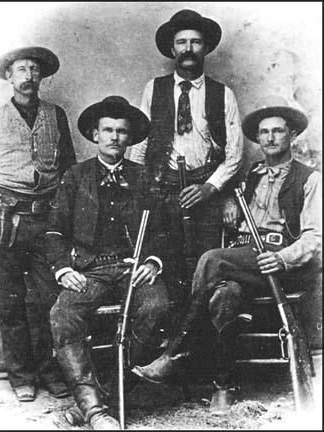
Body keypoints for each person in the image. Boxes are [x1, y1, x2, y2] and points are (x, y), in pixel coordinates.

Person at [132, 95, 321, 414]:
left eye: (278, 131)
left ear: (292, 136)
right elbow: (239, 221)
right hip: (247, 260)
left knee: (210, 259)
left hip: (279, 263)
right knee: (224, 295)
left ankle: (176, 355)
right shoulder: (255, 176)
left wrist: (283, 258)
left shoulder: (310, 179)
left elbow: (315, 238)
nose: (270, 138)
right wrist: (230, 204)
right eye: (264, 133)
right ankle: (222, 385)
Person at [45, 96, 170, 430]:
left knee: (156, 306)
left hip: (133, 268)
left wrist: (154, 262)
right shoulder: (75, 176)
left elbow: (164, 229)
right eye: (108, 130)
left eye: (122, 132)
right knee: (62, 313)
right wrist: (63, 268)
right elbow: (54, 230)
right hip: (90, 269)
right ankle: (96, 410)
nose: (115, 137)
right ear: (95, 135)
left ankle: (101, 404)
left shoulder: (145, 178)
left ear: (129, 138)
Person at [0, 46, 76, 401]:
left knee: (50, 299)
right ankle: (21, 377)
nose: (28, 76)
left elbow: (69, 170)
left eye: (34, 70)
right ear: (9, 77)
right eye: (21, 69)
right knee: (12, 301)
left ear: (41, 77)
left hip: (47, 220)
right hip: (7, 221)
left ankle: (50, 371)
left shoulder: (56, 115)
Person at [129, 9, 243, 302]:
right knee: (168, 264)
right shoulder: (153, 89)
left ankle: (200, 344)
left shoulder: (223, 94)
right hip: (164, 190)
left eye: (195, 42)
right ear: (172, 49)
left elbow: (234, 154)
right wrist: (134, 184)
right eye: (182, 42)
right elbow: (140, 141)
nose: (188, 49)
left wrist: (210, 189)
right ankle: (174, 341)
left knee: (205, 268)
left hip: (204, 192)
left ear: (205, 48)